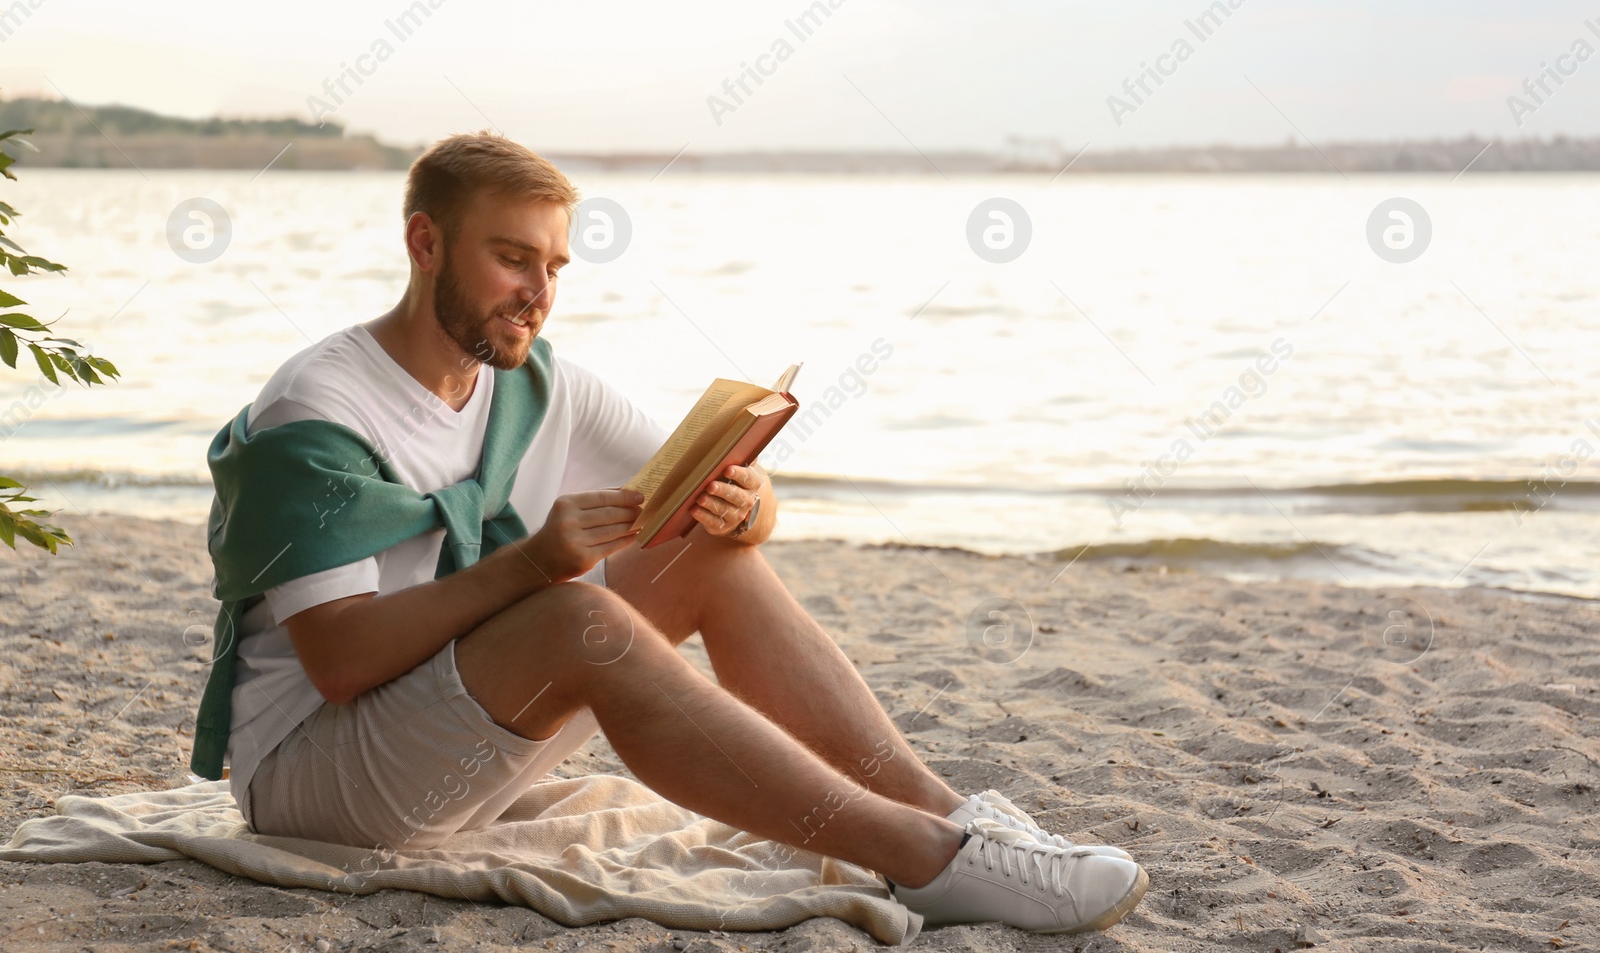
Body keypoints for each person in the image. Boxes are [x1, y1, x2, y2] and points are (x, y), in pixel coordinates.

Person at [204, 131, 1149, 935]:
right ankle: (924, 858)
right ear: (426, 243)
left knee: (697, 545)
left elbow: (714, 499)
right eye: (511, 257)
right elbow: (339, 659)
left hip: (445, 741)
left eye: (554, 266)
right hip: (316, 780)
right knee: (574, 614)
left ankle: (951, 817)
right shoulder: (318, 409)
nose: (537, 290)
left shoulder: (538, 387)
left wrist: (751, 507)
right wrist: (536, 564)